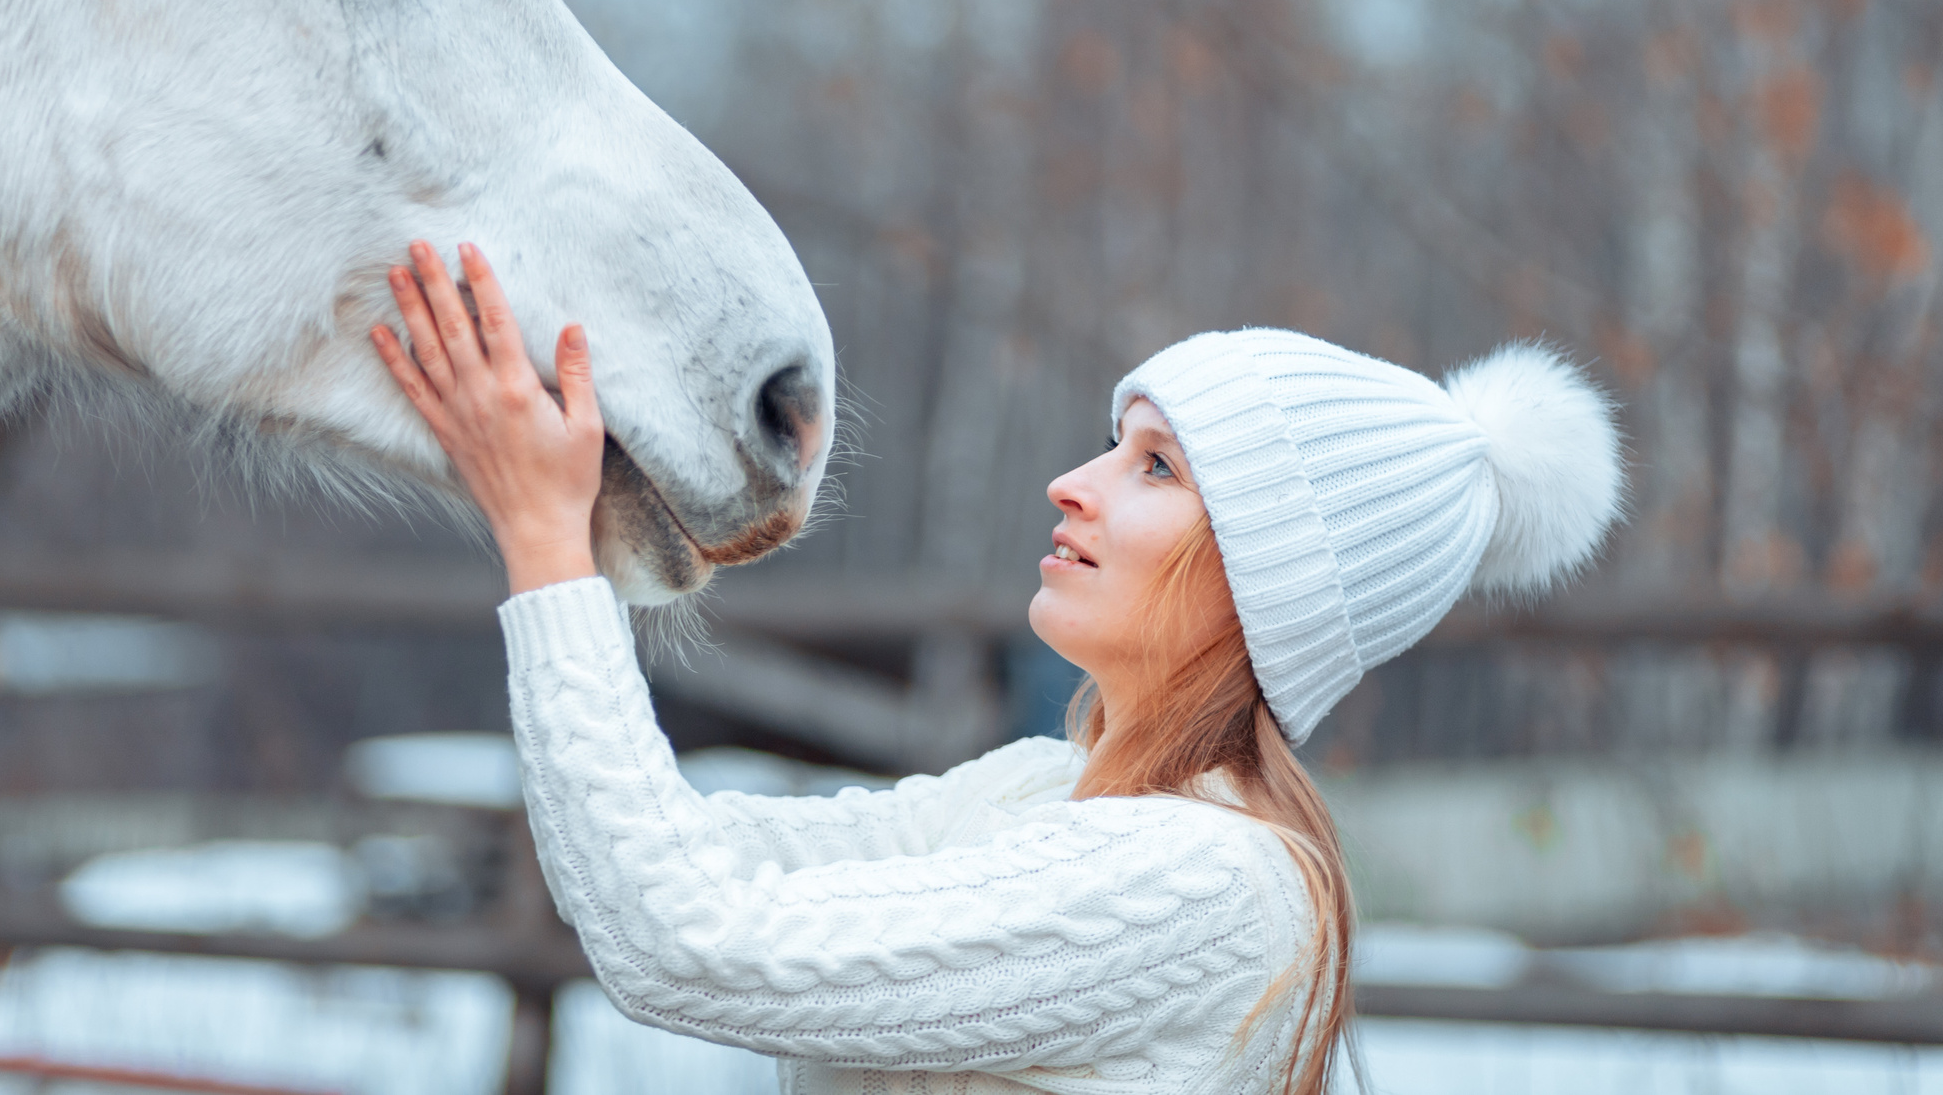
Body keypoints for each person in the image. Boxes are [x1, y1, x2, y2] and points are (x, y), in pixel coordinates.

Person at [372, 241, 1623, 1095]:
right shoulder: (1040, 794)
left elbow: (679, 939)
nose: (1071, 484)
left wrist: (546, 544)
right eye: (1111, 445)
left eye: (1155, 467)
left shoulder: (1209, 885)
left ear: (1268, 577)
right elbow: (671, 864)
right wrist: (574, 522)